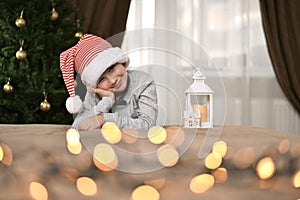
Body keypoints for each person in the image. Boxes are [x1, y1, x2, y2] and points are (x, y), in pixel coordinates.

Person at [59, 33, 158, 131]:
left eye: (111, 69)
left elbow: (148, 125)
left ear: (121, 61)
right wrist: (107, 100)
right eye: (102, 79)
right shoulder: (96, 91)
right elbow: (77, 126)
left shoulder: (143, 82)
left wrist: (103, 119)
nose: (112, 80)